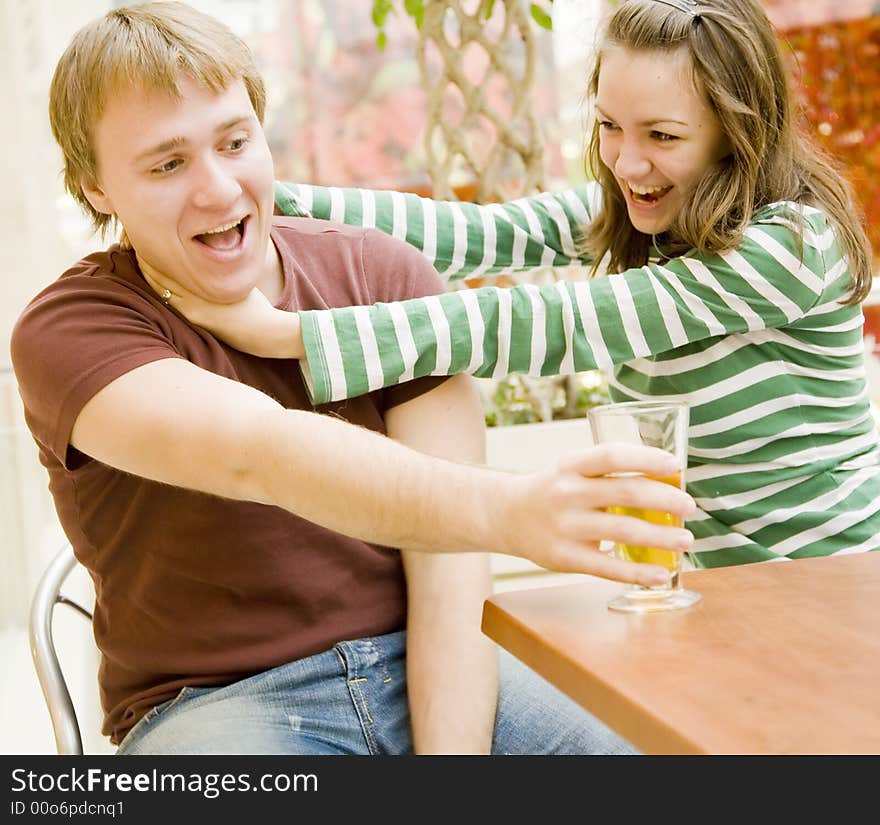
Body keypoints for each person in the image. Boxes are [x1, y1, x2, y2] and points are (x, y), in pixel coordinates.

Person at [10, 2, 696, 755]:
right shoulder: (71, 329)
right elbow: (256, 449)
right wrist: (513, 509)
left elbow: (450, 578)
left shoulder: (382, 273)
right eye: (168, 163)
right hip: (220, 707)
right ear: (96, 186)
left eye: (235, 142)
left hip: (431, 661)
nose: (217, 189)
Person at [165, 0, 880, 570]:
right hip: (713, 589)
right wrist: (255, 192)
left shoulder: (792, 246)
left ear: (737, 129)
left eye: (662, 136)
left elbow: (564, 322)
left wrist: (289, 335)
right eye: (609, 126)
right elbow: (468, 232)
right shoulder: (639, 215)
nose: (628, 162)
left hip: (827, 582)